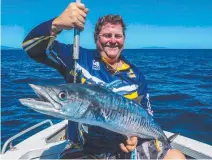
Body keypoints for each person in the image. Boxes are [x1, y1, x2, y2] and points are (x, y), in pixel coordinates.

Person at [22, 2, 185, 159]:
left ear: (124, 39)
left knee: (176, 157)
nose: (113, 40)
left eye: (118, 36)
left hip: (122, 147)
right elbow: (31, 47)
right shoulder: (77, 58)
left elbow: (145, 115)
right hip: (83, 148)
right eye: (107, 35)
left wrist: (134, 138)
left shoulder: (136, 76)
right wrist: (56, 24)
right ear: (96, 38)